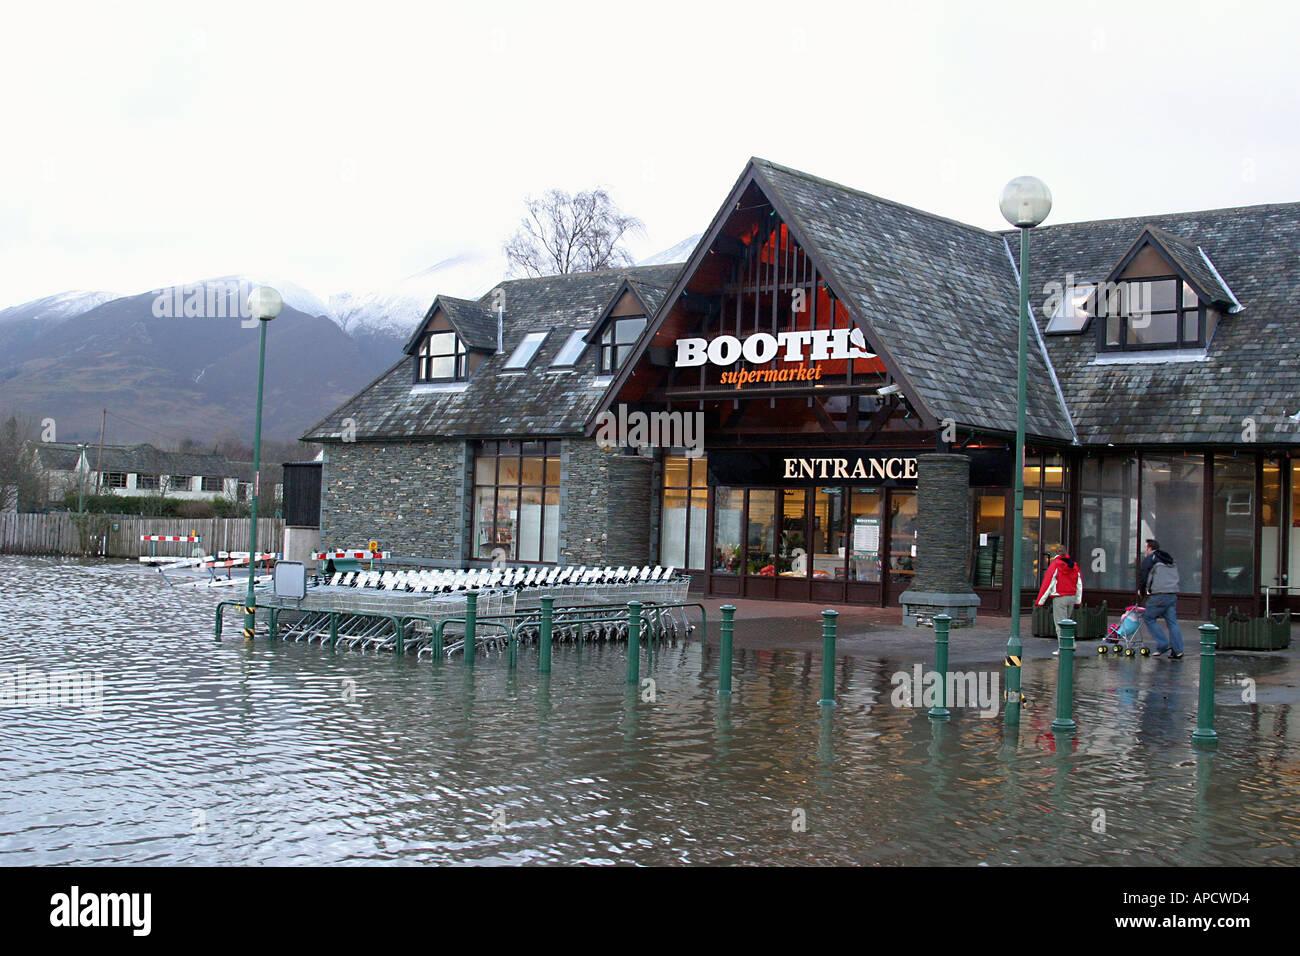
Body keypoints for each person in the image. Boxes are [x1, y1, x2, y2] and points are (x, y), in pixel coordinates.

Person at [1138, 538, 1184, 659]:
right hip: (1172, 594)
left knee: (1148, 617)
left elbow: (1143, 576)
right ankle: (1178, 650)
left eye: (1146, 548)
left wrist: (1142, 591)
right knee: (1172, 622)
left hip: (1159, 594)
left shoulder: (1151, 559)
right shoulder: (1168, 558)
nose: (1145, 550)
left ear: (1150, 548)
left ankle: (1163, 644)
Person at [1036, 547, 1082, 654]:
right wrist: (1078, 601)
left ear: (1055, 554)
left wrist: (1040, 601)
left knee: (1060, 625)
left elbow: (1048, 583)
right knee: (1068, 624)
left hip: (1060, 597)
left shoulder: (1055, 565)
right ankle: (1071, 643)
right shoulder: (1074, 565)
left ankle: (1063, 648)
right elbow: (1079, 584)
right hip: (1072, 596)